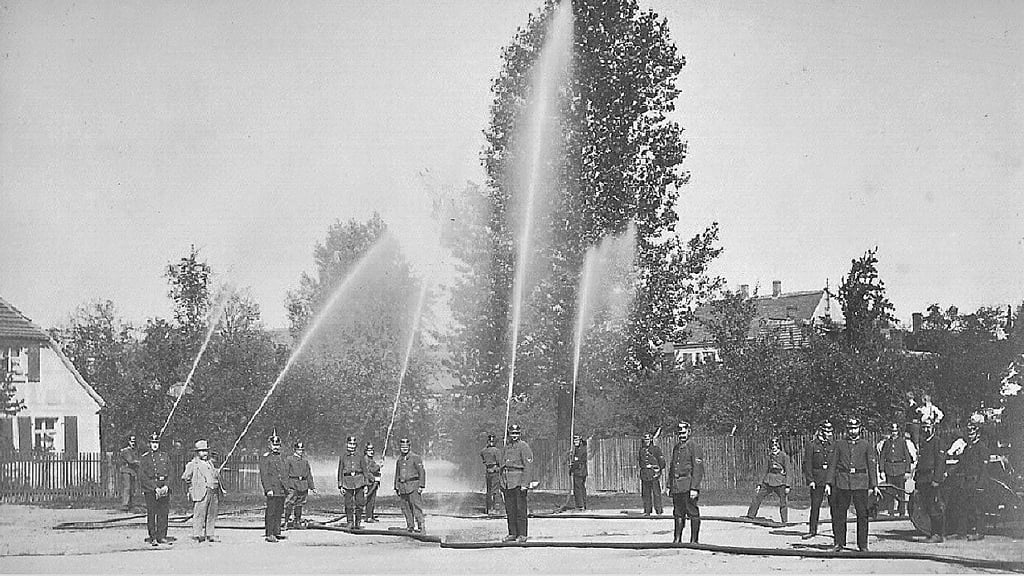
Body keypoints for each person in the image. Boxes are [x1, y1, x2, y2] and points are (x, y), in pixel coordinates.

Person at [826, 417, 879, 552]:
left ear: (859, 429)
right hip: (842, 483)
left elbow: (871, 465)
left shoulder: (866, 445)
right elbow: (832, 465)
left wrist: (874, 485)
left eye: (855, 428)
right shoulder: (839, 444)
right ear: (847, 429)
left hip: (860, 483)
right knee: (840, 514)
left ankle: (862, 545)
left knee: (862, 514)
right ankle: (839, 543)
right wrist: (828, 483)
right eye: (850, 428)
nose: (852, 431)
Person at [950, 420, 988, 541]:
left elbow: (984, 468)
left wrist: (981, 484)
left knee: (977, 508)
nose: (970, 435)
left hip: (976, 481)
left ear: (978, 434)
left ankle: (979, 532)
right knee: (963, 507)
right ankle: (961, 532)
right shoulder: (967, 448)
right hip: (966, 481)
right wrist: (948, 473)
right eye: (969, 433)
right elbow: (961, 464)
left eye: (972, 433)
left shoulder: (982, 447)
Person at [500, 423, 537, 543]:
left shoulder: (523, 446)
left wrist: (525, 483)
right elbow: (502, 465)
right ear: (509, 434)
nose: (514, 436)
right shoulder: (507, 447)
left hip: (518, 481)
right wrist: (502, 482)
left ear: (520, 434)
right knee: (510, 509)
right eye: (512, 434)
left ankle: (522, 534)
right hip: (507, 482)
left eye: (516, 434)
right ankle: (512, 533)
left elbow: (528, 466)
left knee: (520, 509)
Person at [668, 420, 703, 543]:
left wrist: (694, 488)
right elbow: (672, 467)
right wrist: (669, 486)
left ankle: (694, 540)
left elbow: (698, 469)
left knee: (692, 512)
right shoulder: (676, 448)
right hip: (677, 486)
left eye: (683, 433)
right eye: (679, 433)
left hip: (688, 485)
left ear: (689, 432)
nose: (681, 435)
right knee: (678, 512)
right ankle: (677, 539)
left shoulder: (694, 447)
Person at [914, 418, 947, 543]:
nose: (926, 429)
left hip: (932, 478)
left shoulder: (937, 442)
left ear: (933, 427)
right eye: (924, 427)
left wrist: (936, 479)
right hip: (923, 479)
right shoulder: (924, 442)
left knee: (934, 506)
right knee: (927, 506)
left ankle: (938, 534)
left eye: (928, 427)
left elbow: (940, 461)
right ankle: (931, 533)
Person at [181, 439, 220, 543]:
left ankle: (210, 534)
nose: (205, 453)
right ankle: (197, 534)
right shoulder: (193, 464)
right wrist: (192, 488)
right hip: (200, 492)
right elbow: (185, 477)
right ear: (197, 452)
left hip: (212, 491)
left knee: (211, 514)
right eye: (202, 451)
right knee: (199, 514)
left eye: (206, 451)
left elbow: (214, 475)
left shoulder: (210, 463)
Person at [745, 436, 791, 523]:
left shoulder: (784, 456)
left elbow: (788, 471)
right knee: (758, 497)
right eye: (772, 447)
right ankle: (750, 516)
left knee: (783, 502)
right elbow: (764, 471)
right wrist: (759, 484)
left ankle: (784, 521)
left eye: (776, 447)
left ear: (779, 447)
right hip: (768, 481)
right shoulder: (769, 457)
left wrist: (788, 485)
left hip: (780, 481)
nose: (774, 449)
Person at [801, 421, 834, 539]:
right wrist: (810, 480)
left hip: (831, 480)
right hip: (817, 480)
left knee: (834, 507)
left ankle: (837, 533)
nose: (828, 433)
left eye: (830, 431)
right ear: (821, 431)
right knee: (815, 506)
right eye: (825, 431)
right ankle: (812, 530)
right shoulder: (812, 445)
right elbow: (807, 464)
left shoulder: (833, 445)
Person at [139, 432, 172, 547]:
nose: (155, 445)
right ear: (149, 444)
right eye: (153, 443)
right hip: (151, 489)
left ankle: (162, 536)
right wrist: (154, 488)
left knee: (163, 512)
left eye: (156, 443)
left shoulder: (165, 456)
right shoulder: (145, 458)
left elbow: (171, 472)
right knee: (152, 513)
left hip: (164, 487)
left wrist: (166, 486)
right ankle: (153, 537)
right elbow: (143, 476)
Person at [877, 422, 916, 516]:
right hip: (889, 469)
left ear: (898, 432)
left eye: (895, 431)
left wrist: (907, 471)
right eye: (892, 431)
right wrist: (882, 470)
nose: (894, 433)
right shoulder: (887, 442)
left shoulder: (902, 442)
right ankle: (891, 512)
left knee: (900, 491)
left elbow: (907, 457)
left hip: (900, 470)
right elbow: (882, 457)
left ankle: (901, 511)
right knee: (890, 492)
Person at [259, 432, 287, 543]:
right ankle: (269, 533)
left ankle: (277, 531)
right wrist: (268, 489)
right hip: (272, 489)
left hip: (281, 489)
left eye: (278, 445)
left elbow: (284, 473)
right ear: (270, 445)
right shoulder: (266, 458)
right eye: (274, 445)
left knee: (279, 511)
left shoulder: (281, 458)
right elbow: (264, 475)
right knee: (271, 512)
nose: (276, 447)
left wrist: (287, 487)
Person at [394, 438, 426, 533]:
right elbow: (397, 473)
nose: (404, 449)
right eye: (402, 447)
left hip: (413, 485)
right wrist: (396, 486)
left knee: (416, 506)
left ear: (409, 447)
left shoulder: (415, 458)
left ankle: (421, 526)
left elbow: (422, 472)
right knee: (405, 507)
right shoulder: (399, 459)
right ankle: (410, 526)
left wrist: (421, 485)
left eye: (406, 447)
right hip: (403, 486)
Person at [337, 436, 369, 529]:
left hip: (359, 481)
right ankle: (349, 521)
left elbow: (365, 470)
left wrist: (366, 484)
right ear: (346, 444)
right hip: (347, 481)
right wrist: (340, 485)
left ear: (356, 445)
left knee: (359, 503)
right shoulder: (343, 457)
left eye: (353, 444)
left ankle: (358, 521)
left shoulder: (360, 456)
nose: (351, 446)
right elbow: (340, 471)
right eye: (350, 444)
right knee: (348, 504)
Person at [283, 441, 314, 530]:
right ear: (295, 450)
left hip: (303, 484)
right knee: (290, 503)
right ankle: (285, 522)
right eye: (298, 449)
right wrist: (286, 486)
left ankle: (297, 521)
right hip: (293, 484)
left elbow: (308, 474)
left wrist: (312, 486)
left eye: (301, 450)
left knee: (300, 504)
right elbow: (285, 473)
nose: (300, 451)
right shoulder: (289, 459)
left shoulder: (305, 461)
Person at [638, 432, 666, 516]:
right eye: (645, 439)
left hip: (653, 474)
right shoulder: (642, 450)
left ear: (651, 440)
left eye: (647, 439)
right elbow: (641, 462)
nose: (646, 441)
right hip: (645, 474)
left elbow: (662, 462)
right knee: (646, 493)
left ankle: (659, 511)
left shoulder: (656, 449)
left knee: (656, 493)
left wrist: (658, 470)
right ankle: (647, 510)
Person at [480, 434, 501, 515]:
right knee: (495, 490)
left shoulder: (483, 451)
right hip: (495, 471)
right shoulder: (496, 451)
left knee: (489, 491)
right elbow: (499, 462)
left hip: (488, 471)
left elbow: (483, 458)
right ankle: (496, 508)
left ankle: (488, 508)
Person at [119, 435, 140, 512]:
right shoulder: (126, 451)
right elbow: (130, 461)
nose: (133, 443)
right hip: (126, 470)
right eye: (131, 441)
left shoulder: (134, 450)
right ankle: (125, 505)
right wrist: (140, 462)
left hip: (132, 471)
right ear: (128, 442)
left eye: (134, 441)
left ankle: (130, 504)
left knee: (132, 488)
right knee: (127, 487)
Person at [568, 434, 588, 511]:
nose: (575, 442)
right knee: (581, 488)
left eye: (576, 440)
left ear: (580, 441)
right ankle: (582, 505)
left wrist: (571, 467)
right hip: (581, 471)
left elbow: (577, 461)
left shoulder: (581, 450)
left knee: (578, 489)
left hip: (579, 471)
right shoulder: (577, 449)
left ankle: (580, 506)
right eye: (574, 440)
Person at [364, 443, 381, 523]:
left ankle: (371, 515)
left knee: (372, 500)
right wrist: (378, 467)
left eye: (372, 450)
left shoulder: (371, 459)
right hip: (369, 483)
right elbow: (368, 471)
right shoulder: (366, 459)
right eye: (369, 450)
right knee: (369, 500)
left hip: (373, 483)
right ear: (366, 451)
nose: (371, 451)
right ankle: (368, 517)